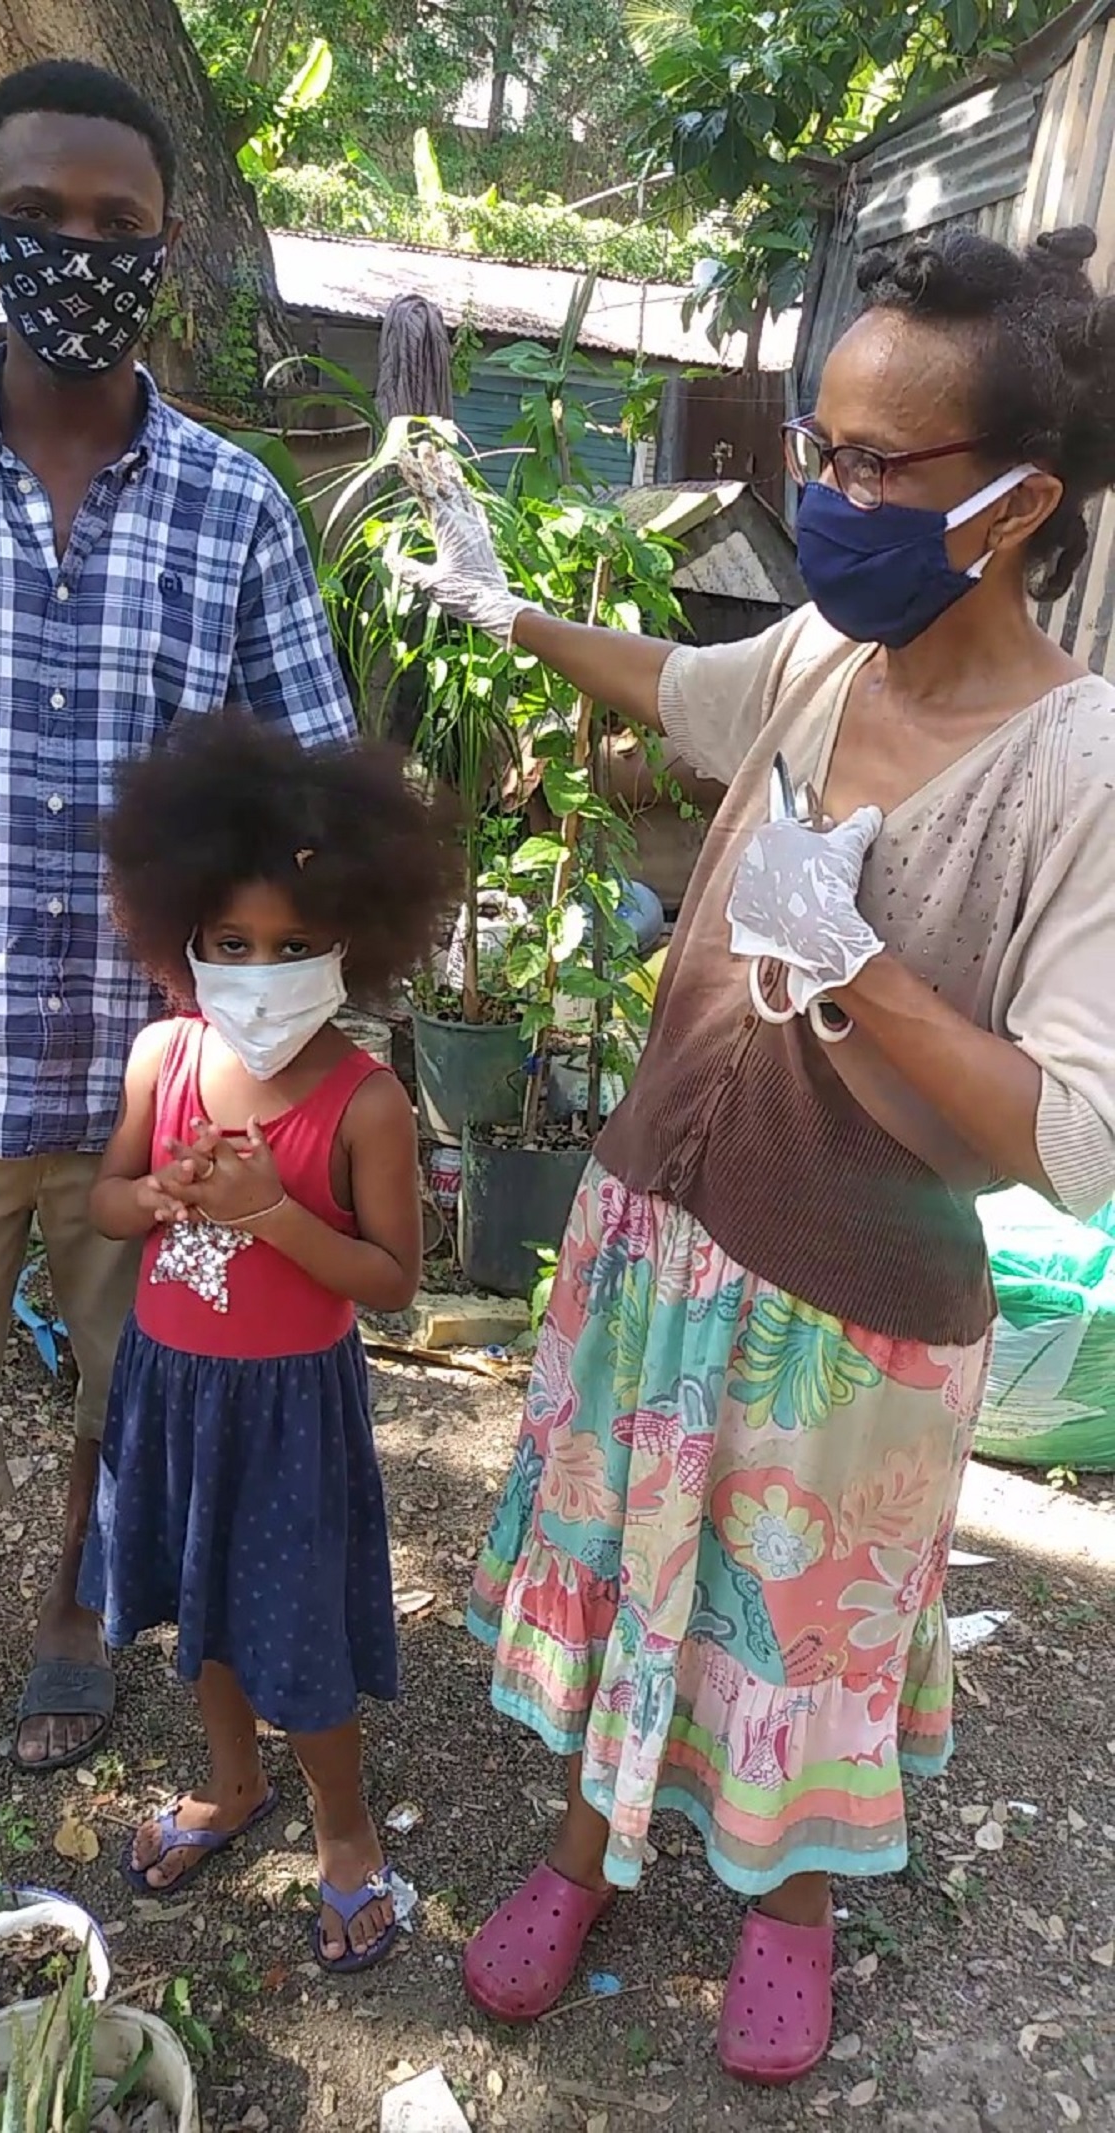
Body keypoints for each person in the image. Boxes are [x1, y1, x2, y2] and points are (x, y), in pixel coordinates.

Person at [399, 224, 1115, 2081]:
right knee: (635, 1555)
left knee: (799, 1619)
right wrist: (508, 617)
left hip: (855, 1303)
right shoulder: (816, 652)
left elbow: (1075, 1136)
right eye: (825, 445)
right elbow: (682, 690)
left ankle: (786, 1898)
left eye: (880, 466)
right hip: (658, 1221)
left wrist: (857, 964)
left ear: (1022, 500)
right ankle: (587, 1847)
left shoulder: (1081, 763)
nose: (831, 496)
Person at [0, 60, 355, 1773]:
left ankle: (78, 1610)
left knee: (134, 1371)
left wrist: (287, 1035)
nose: (78, 255)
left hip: (156, 1080)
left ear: (166, 250)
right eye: (38, 219)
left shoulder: (235, 504)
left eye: (119, 228)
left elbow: (314, 782)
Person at [76, 710, 457, 1967]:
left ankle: (346, 1833)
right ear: (179, 929)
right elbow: (106, 1201)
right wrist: (165, 1195)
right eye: (231, 942)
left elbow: (392, 1282)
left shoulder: (367, 1099)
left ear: (353, 939)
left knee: (296, 1624)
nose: (258, 966)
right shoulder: (163, 1055)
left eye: (292, 946)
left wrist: (270, 1213)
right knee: (204, 1614)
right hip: (173, 1392)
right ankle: (231, 1783)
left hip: (291, 1408)